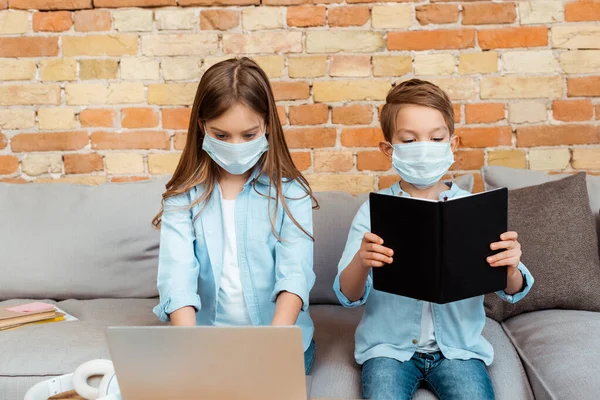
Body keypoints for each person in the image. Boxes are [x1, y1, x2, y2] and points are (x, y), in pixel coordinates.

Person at [334, 79, 534, 399]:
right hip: (388, 350)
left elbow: (513, 289)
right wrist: (362, 259)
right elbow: (347, 294)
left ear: (452, 144)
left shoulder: (474, 210)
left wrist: (510, 266)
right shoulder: (372, 211)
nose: (424, 147)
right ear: (389, 149)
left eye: (436, 137)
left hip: (459, 351)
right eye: (410, 140)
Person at [152, 57, 317, 374]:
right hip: (206, 340)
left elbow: (294, 274)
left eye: (249, 135)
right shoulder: (182, 197)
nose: (236, 146)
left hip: (279, 340)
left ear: (267, 124)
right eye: (222, 135)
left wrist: (272, 347)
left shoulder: (291, 192)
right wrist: (191, 353)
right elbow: (177, 277)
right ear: (202, 127)